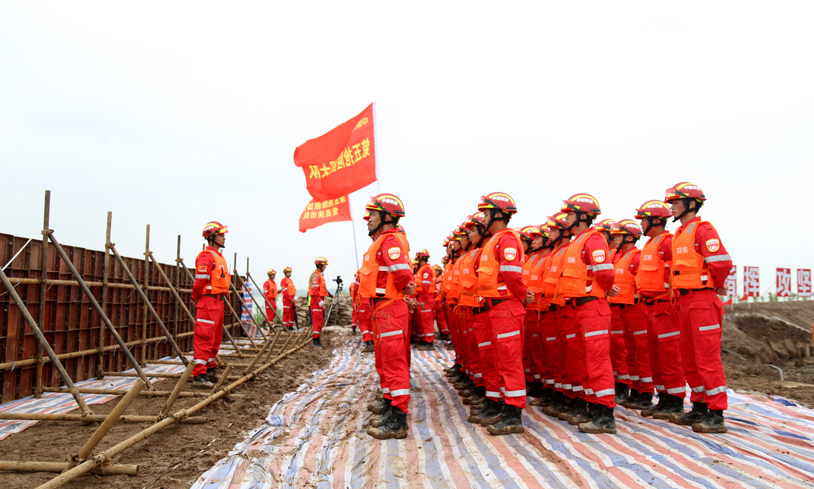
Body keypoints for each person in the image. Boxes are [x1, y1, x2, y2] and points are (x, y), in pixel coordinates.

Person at [664, 182, 732, 433]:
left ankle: (716, 413)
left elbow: (722, 263)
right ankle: (700, 406)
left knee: (707, 357)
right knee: (690, 358)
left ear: (691, 204)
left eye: (675, 202)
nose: (671, 207)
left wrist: (718, 284)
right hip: (684, 301)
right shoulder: (680, 234)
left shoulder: (702, 229)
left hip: (702, 300)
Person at [473, 192, 532, 436]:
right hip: (498, 308)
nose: (483, 217)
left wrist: (521, 294)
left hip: (507, 306)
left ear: (498, 214)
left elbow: (511, 274)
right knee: (501, 361)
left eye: (486, 213)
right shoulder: (494, 240)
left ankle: (513, 414)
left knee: (509, 361)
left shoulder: (506, 238)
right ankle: (506, 407)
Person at [559, 193, 618, 434]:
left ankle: (605, 414)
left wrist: (603, 287)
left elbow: (605, 272)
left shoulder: (592, 239)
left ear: (582, 216)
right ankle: (593, 407)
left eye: (571, 214)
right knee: (585, 360)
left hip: (593, 306)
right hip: (581, 308)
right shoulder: (577, 241)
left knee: (597, 360)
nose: (567, 218)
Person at [358, 193, 415, 440]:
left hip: (391, 308)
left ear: (387, 216)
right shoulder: (383, 240)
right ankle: (390, 402)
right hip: (383, 309)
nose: (367, 219)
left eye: (372, 214)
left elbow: (402, 272)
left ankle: (398, 419)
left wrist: (408, 289)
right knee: (385, 361)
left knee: (394, 363)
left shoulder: (390, 240)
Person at [633, 199, 687, 420]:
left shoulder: (667, 242)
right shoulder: (650, 244)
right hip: (650, 308)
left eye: (644, 220)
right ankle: (663, 396)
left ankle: (675, 400)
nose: (641, 224)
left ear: (656, 220)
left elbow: (677, 271)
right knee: (655, 356)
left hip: (665, 306)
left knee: (670, 355)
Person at [608, 220, 655, 412]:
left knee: (642, 352)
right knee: (628, 352)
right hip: (622, 310)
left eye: (619, 235)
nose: (615, 239)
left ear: (629, 237)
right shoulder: (617, 256)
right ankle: (634, 390)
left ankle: (646, 393)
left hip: (636, 310)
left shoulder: (636, 257)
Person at [190, 221, 231, 388]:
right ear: (212, 237)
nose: (224, 238)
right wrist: (195, 296)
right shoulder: (206, 256)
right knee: (204, 336)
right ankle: (199, 374)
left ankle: (209, 368)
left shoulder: (218, 256)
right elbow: (200, 281)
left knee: (214, 337)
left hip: (217, 301)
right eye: (221, 235)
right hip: (208, 301)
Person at [414, 249, 437, 350]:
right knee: (422, 320)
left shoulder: (426, 269)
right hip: (423, 297)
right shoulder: (423, 269)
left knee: (426, 320)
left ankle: (429, 342)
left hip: (426, 298)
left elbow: (426, 286)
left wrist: (423, 299)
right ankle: (424, 340)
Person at [309, 257, 330, 347]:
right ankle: (315, 340)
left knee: (320, 320)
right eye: (324, 266)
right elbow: (315, 290)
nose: (325, 267)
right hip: (316, 301)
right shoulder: (316, 275)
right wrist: (319, 301)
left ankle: (317, 339)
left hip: (319, 300)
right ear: (320, 265)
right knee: (317, 321)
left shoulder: (320, 275)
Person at [432, 264, 450, 340]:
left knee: (441, 318)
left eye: (437, 270)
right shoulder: (432, 279)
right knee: (430, 319)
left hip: (438, 302)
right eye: (434, 270)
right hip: (432, 302)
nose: (435, 272)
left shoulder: (441, 279)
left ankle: (445, 333)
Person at [280, 267, 297, 332]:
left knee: (293, 312)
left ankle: (290, 326)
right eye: (288, 272)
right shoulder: (284, 280)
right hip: (287, 299)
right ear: (285, 273)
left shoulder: (290, 280)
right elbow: (285, 291)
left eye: (290, 272)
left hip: (292, 299)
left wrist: (292, 298)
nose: (289, 273)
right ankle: (285, 327)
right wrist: (290, 298)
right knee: (286, 313)